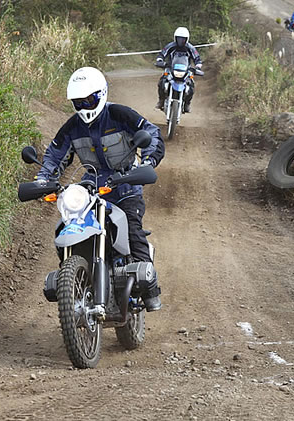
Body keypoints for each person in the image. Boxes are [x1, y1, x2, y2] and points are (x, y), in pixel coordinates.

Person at [35, 67, 165, 312]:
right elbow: (55, 155)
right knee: (66, 226)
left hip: (126, 183)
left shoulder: (119, 114)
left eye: (89, 100)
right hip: (91, 187)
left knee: (133, 229)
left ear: (101, 94)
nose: (84, 106)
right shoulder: (72, 127)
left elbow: (150, 132)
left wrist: (148, 161)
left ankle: (149, 288)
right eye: (78, 102)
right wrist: (43, 178)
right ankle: (72, 281)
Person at [155, 26, 202, 113]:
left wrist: (197, 66)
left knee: (191, 84)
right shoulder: (171, 46)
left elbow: (197, 58)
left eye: (183, 39)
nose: (181, 41)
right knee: (162, 81)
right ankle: (161, 100)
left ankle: (187, 104)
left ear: (187, 39)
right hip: (171, 68)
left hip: (185, 70)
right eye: (179, 39)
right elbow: (162, 54)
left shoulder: (190, 48)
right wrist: (160, 61)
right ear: (175, 38)